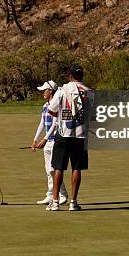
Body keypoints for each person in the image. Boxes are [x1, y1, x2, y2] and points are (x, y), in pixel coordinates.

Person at [47, 65, 94, 212]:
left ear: (70, 76)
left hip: (63, 134)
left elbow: (51, 110)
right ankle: (73, 202)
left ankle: (55, 202)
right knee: (76, 168)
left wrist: (63, 115)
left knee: (58, 167)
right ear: (82, 76)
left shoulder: (61, 90)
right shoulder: (90, 92)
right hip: (81, 135)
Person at [32, 81, 68, 206]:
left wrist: (45, 139)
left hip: (55, 141)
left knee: (53, 170)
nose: (43, 92)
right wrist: (35, 139)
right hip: (48, 142)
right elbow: (42, 123)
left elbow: (54, 124)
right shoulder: (44, 106)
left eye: (44, 90)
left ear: (51, 91)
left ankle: (62, 194)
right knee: (48, 170)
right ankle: (50, 195)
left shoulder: (56, 105)